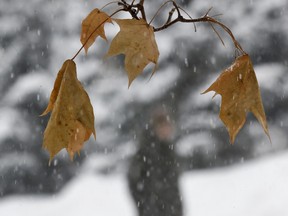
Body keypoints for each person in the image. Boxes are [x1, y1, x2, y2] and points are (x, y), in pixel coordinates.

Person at [127, 107, 183, 216]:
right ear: (156, 127)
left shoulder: (168, 149)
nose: (168, 129)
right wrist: (145, 207)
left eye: (168, 125)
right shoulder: (146, 150)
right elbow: (133, 180)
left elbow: (173, 186)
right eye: (164, 126)